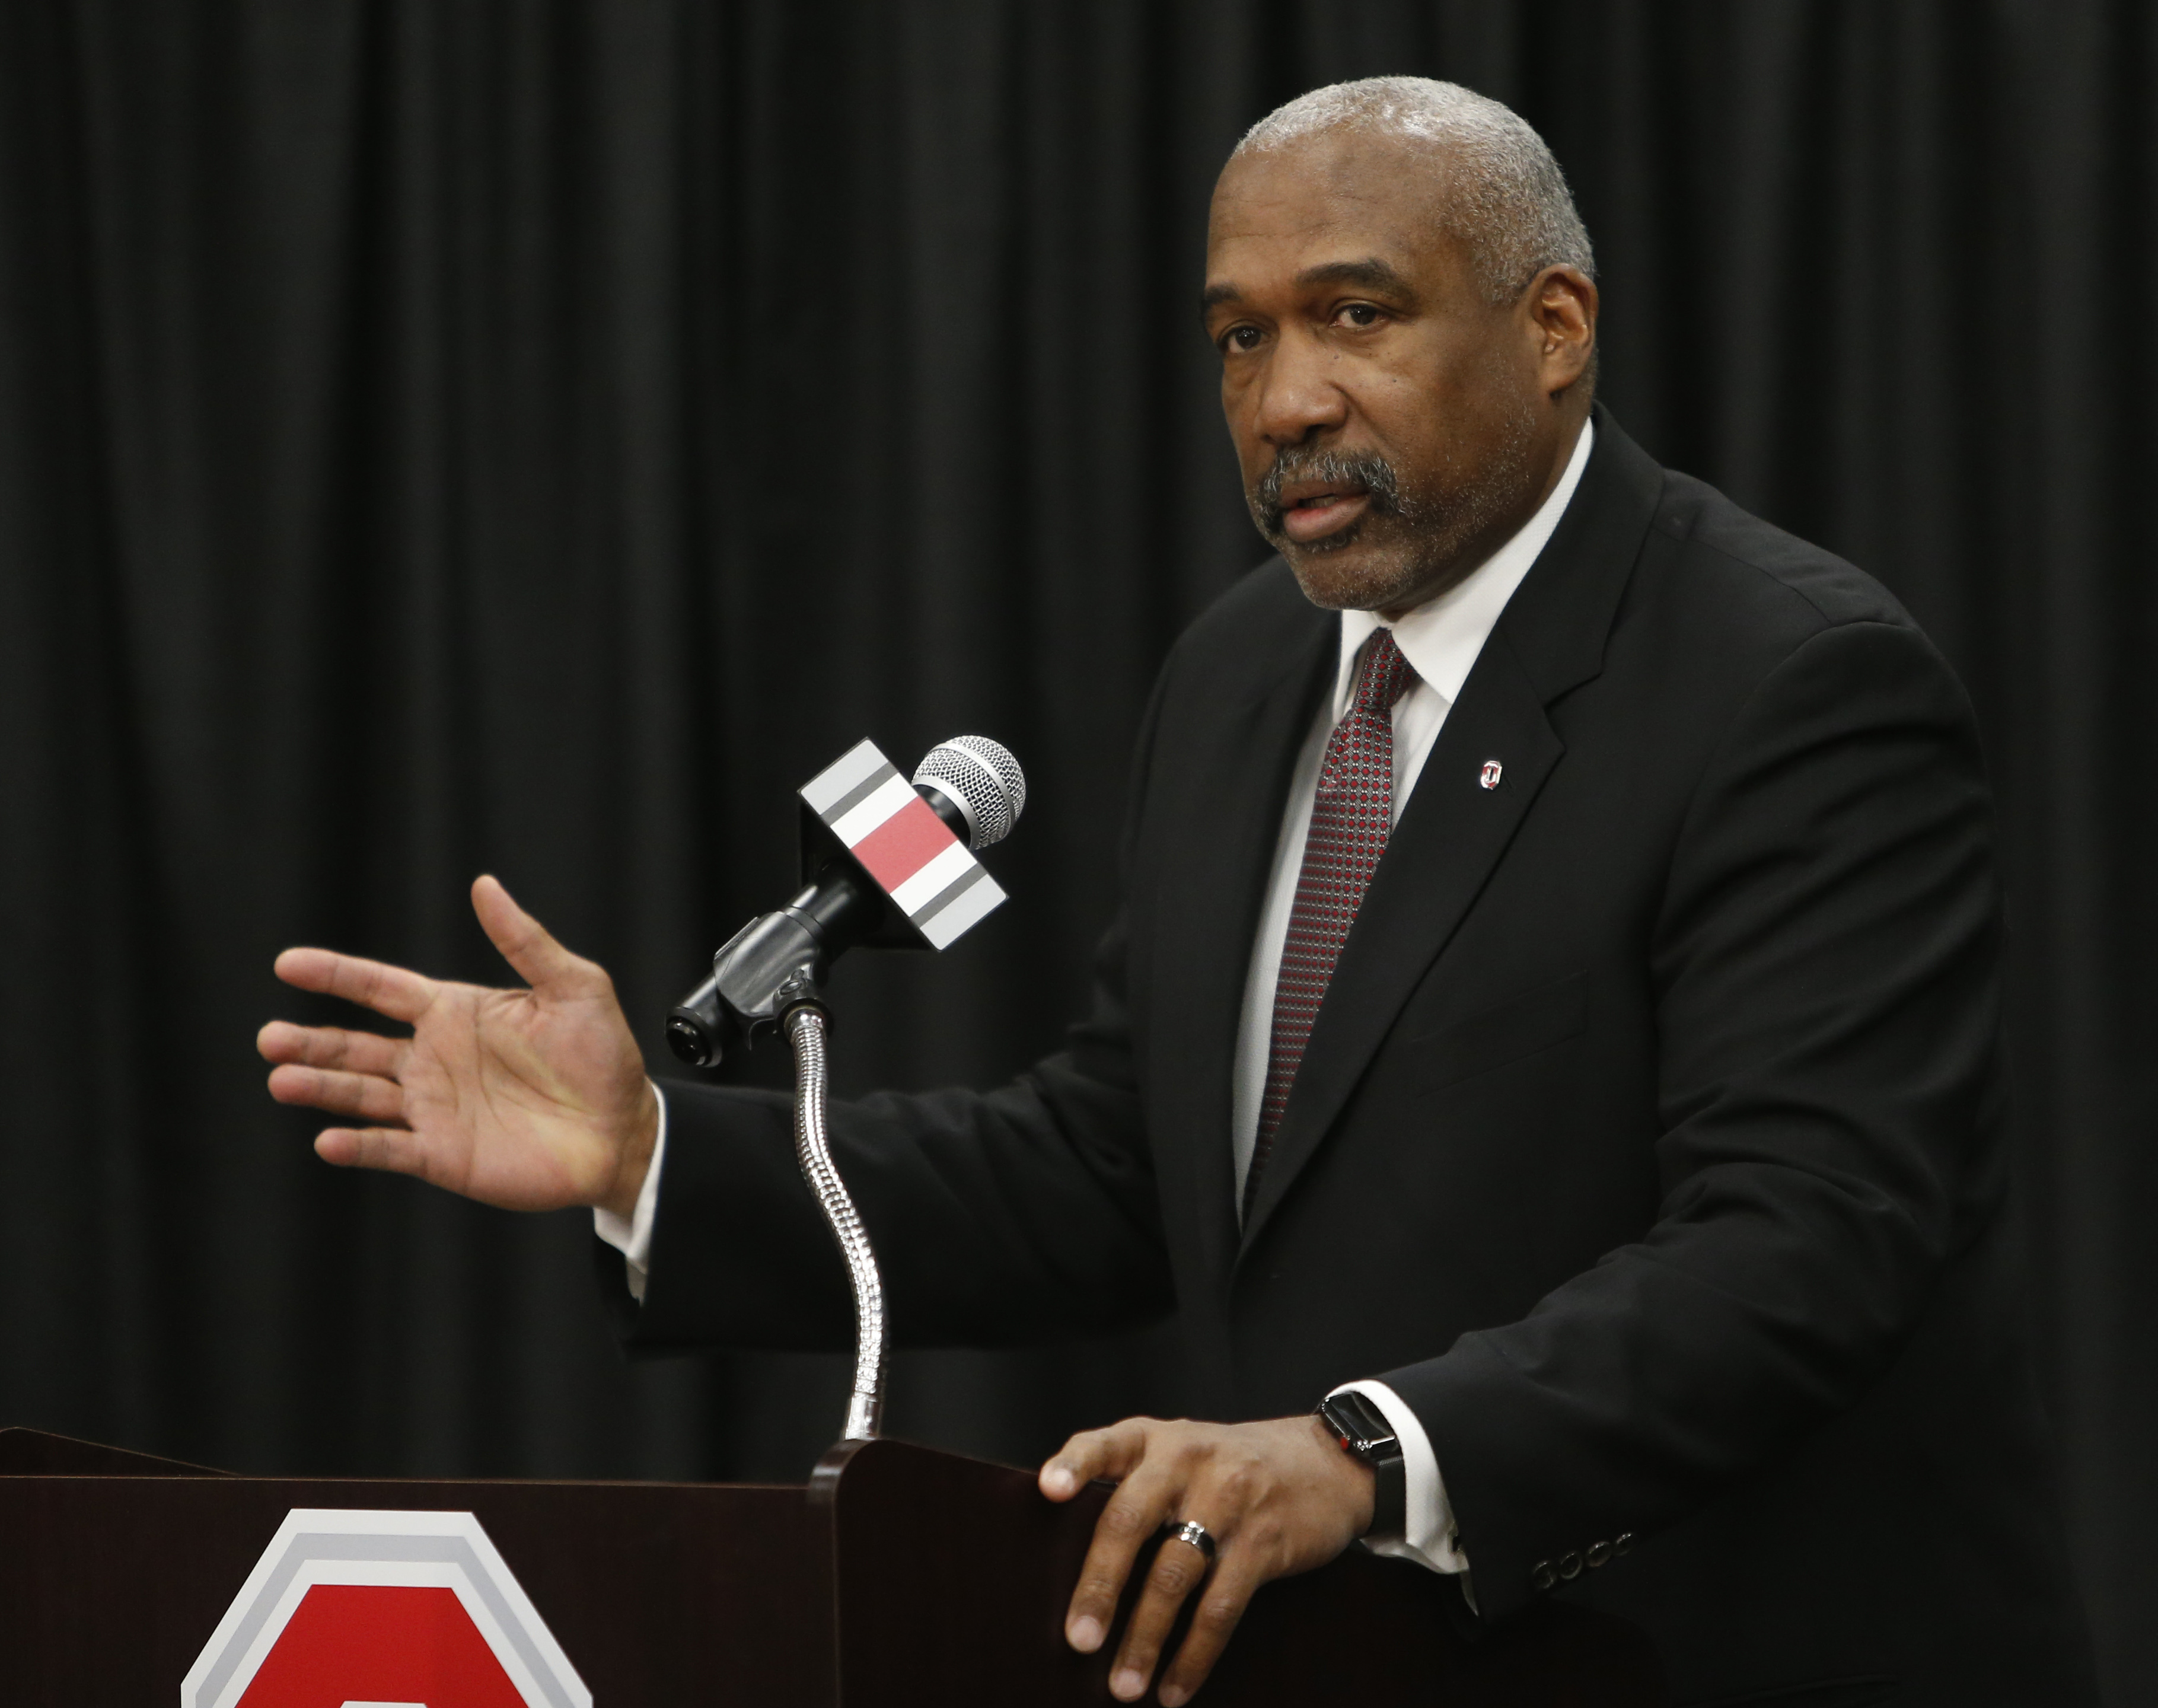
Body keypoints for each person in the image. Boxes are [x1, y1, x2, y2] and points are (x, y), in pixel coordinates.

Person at [260, 78, 2096, 1707]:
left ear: (1555, 329)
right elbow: (1120, 1168)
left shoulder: (1788, 679)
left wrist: (1369, 1455)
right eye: (1236, 339)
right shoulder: (1245, 675)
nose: (1286, 399)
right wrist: (656, 1156)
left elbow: (1810, 1237)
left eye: (1353, 317)